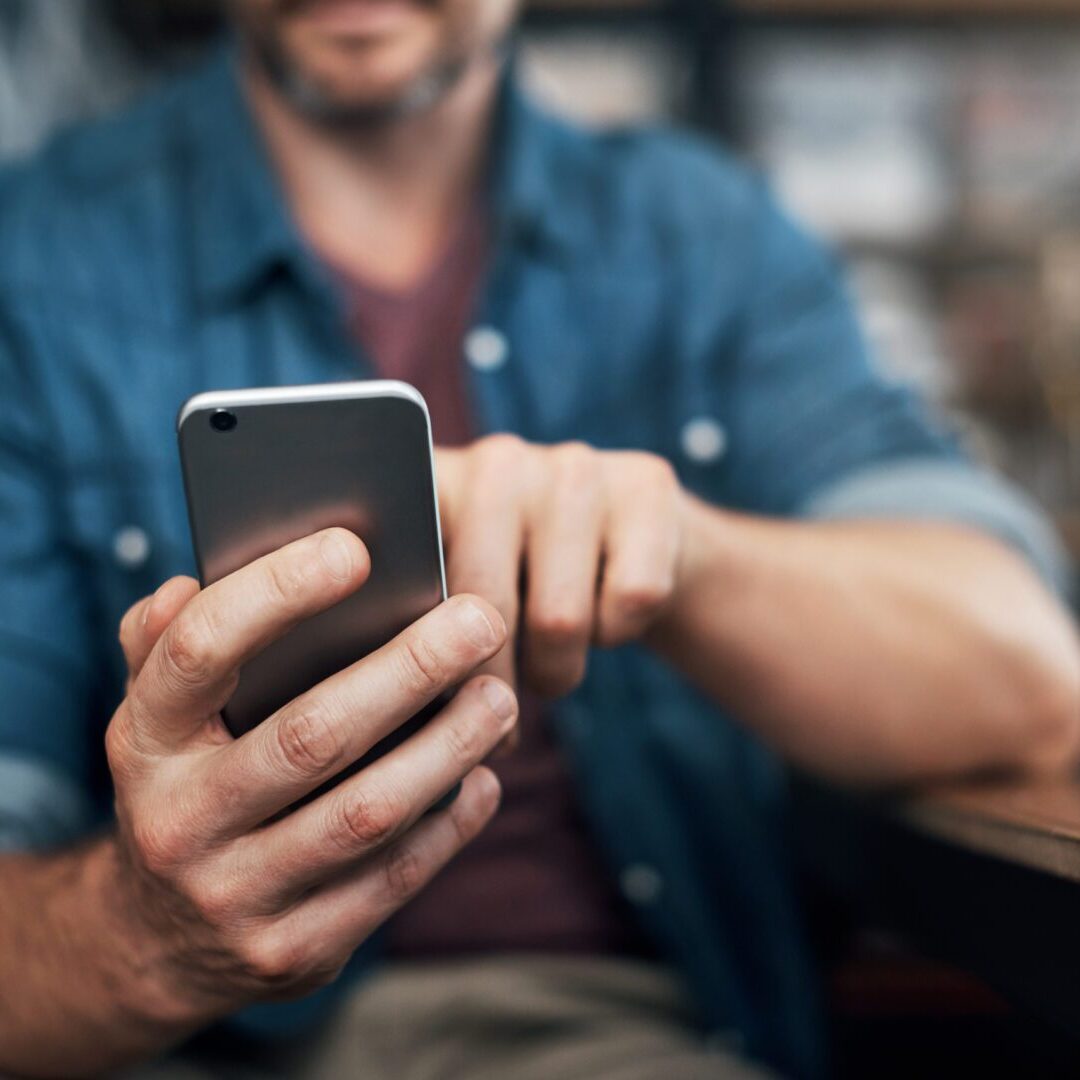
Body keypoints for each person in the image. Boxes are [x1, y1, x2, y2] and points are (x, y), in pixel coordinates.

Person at [0, 2, 1077, 1077]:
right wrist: (144, 937)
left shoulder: (700, 232)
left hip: (602, 1032)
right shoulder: (33, 259)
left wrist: (683, 556)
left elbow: (1031, 684)